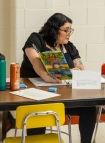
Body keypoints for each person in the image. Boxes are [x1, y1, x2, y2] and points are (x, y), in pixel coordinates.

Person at [20, 13, 96, 143]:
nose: (69, 33)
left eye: (70, 30)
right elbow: (35, 61)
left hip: (63, 95)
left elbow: (79, 64)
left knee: (89, 108)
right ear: (54, 29)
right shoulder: (36, 39)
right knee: (38, 110)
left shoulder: (69, 46)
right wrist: (46, 76)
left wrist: (76, 68)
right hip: (36, 94)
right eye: (66, 30)